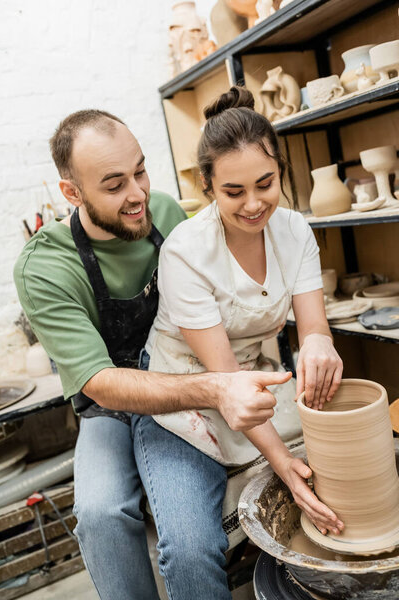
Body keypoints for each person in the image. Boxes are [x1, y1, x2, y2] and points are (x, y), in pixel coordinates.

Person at [13, 109, 296, 600]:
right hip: (112, 406)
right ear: (72, 193)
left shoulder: (164, 212)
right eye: (115, 184)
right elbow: (100, 382)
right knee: (101, 513)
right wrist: (217, 387)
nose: (138, 194)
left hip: (189, 377)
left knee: (195, 537)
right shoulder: (44, 267)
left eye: (140, 171)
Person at [146, 86, 345, 593]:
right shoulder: (186, 252)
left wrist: (320, 344)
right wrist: (283, 465)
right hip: (185, 393)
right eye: (234, 192)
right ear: (208, 186)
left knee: (344, 471)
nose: (254, 204)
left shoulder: (295, 230)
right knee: (192, 546)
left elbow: (314, 326)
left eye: (266, 183)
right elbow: (225, 382)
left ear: (280, 171)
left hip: (255, 377)